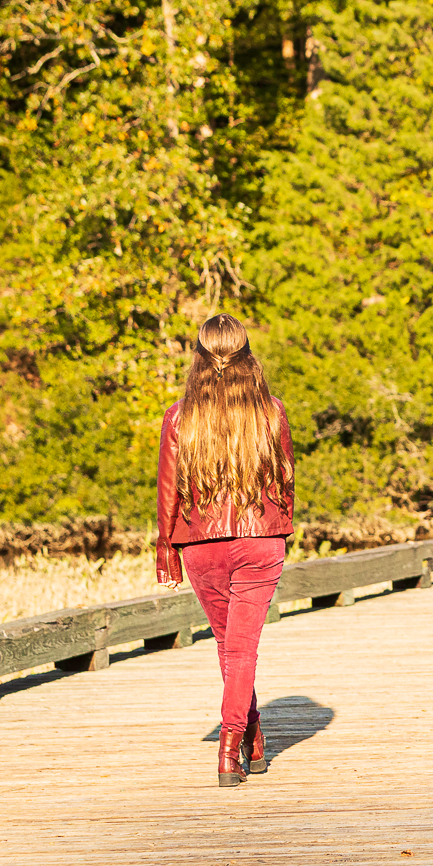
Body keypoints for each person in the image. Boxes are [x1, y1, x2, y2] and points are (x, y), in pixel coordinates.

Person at [155, 314, 295, 786]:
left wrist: (165, 547)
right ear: (248, 357)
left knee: (230, 649)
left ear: (197, 359)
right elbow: (286, 480)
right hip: (260, 540)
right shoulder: (271, 412)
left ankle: (244, 741)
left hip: (200, 544)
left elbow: (168, 492)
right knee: (242, 651)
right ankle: (234, 744)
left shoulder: (179, 417)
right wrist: (279, 525)